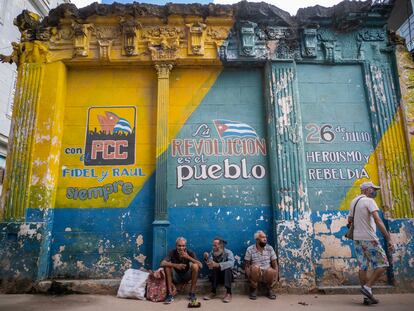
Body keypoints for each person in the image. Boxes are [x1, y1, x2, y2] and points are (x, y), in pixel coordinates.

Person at [348, 181, 394, 304]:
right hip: (369, 238)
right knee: (383, 264)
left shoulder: (354, 202)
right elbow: (378, 220)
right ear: (367, 190)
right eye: (374, 189)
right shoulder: (369, 201)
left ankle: (367, 297)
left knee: (363, 266)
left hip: (357, 239)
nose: (375, 192)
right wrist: (388, 238)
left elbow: (350, 220)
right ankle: (368, 288)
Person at [161, 237, 202, 304]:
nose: (181, 248)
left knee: (195, 266)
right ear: (176, 246)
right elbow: (162, 263)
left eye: (183, 246)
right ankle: (170, 295)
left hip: (187, 276)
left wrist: (188, 257)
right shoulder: (172, 252)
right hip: (176, 277)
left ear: (185, 246)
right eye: (179, 246)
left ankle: (192, 293)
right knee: (167, 267)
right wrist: (176, 265)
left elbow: (200, 265)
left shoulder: (189, 252)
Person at [244, 230, 278, 300]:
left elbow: (275, 265)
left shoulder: (270, 248)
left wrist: (276, 278)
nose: (265, 239)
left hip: (267, 274)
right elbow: (247, 265)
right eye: (262, 237)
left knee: (271, 271)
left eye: (265, 237)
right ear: (257, 239)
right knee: (255, 268)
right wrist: (250, 279)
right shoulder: (250, 249)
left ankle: (269, 290)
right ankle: (254, 289)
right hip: (255, 273)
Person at [203, 237, 235, 303]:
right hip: (217, 277)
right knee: (214, 268)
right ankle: (213, 292)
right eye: (213, 245)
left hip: (227, 277)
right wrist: (207, 258)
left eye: (215, 245)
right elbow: (210, 265)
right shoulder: (212, 253)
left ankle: (229, 293)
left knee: (227, 268)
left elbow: (231, 263)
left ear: (221, 246)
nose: (213, 247)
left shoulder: (228, 253)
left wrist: (218, 265)